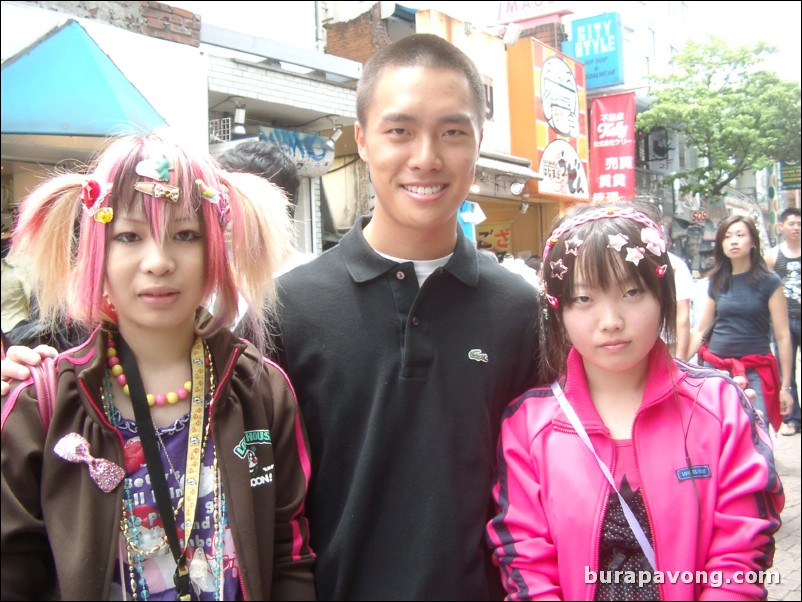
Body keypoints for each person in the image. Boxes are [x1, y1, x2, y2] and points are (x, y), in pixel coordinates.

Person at [273, 34, 547, 600]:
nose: (426, 156)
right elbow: (258, 479)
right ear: (364, 140)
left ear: (477, 144)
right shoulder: (286, 308)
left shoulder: (521, 311)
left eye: (452, 132)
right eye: (400, 130)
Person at [0, 133, 315, 600]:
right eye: (128, 236)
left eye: (185, 235)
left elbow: (288, 552)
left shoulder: (262, 389)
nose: (159, 261)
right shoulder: (41, 402)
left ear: (214, 251)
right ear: (96, 253)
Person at [486, 201, 784, 600]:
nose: (610, 320)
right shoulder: (526, 426)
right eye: (583, 299)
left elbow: (741, 554)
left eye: (630, 292)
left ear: (662, 296)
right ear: (558, 311)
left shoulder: (723, 408)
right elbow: (526, 562)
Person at [687, 214, 794, 431]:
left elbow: (782, 337)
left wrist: (786, 387)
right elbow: (701, 330)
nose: (733, 241)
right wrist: (679, 364)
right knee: (719, 432)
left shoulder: (770, 282)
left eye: (740, 235)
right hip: (717, 369)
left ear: (753, 241)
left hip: (755, 370)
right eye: (727, 237)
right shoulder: (717, 280)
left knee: (758, 430)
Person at [765, 207, 801, 436]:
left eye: (799, 223)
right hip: (784, 321)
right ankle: (793, 418)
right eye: (792, 223)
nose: (796, 227)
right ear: (781, 227)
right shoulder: (772, 256)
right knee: (785, 369)